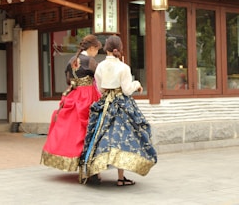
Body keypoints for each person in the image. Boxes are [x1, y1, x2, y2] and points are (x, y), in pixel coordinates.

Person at [79, 35, 157, 186]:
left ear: (106, 48)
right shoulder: (124, 67)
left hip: (105, 105)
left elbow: (100, 88)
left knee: (98, 136)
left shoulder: (100, 66)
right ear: (119, 49)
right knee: (122, 140)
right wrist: (137, 84)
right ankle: (121, 178)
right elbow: (127, 90)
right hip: (122, 105)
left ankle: (95, 171)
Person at [40, 34, 102, 172]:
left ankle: (68, 156)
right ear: (92, 48)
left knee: (70, 128)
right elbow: (100, 77)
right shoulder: (90, 61)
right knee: (87, 128)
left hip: (73, 94)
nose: (97, 53)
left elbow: (68, 80)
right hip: (87, 95)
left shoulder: (71, 60)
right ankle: (87, 160)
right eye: (97, 49)